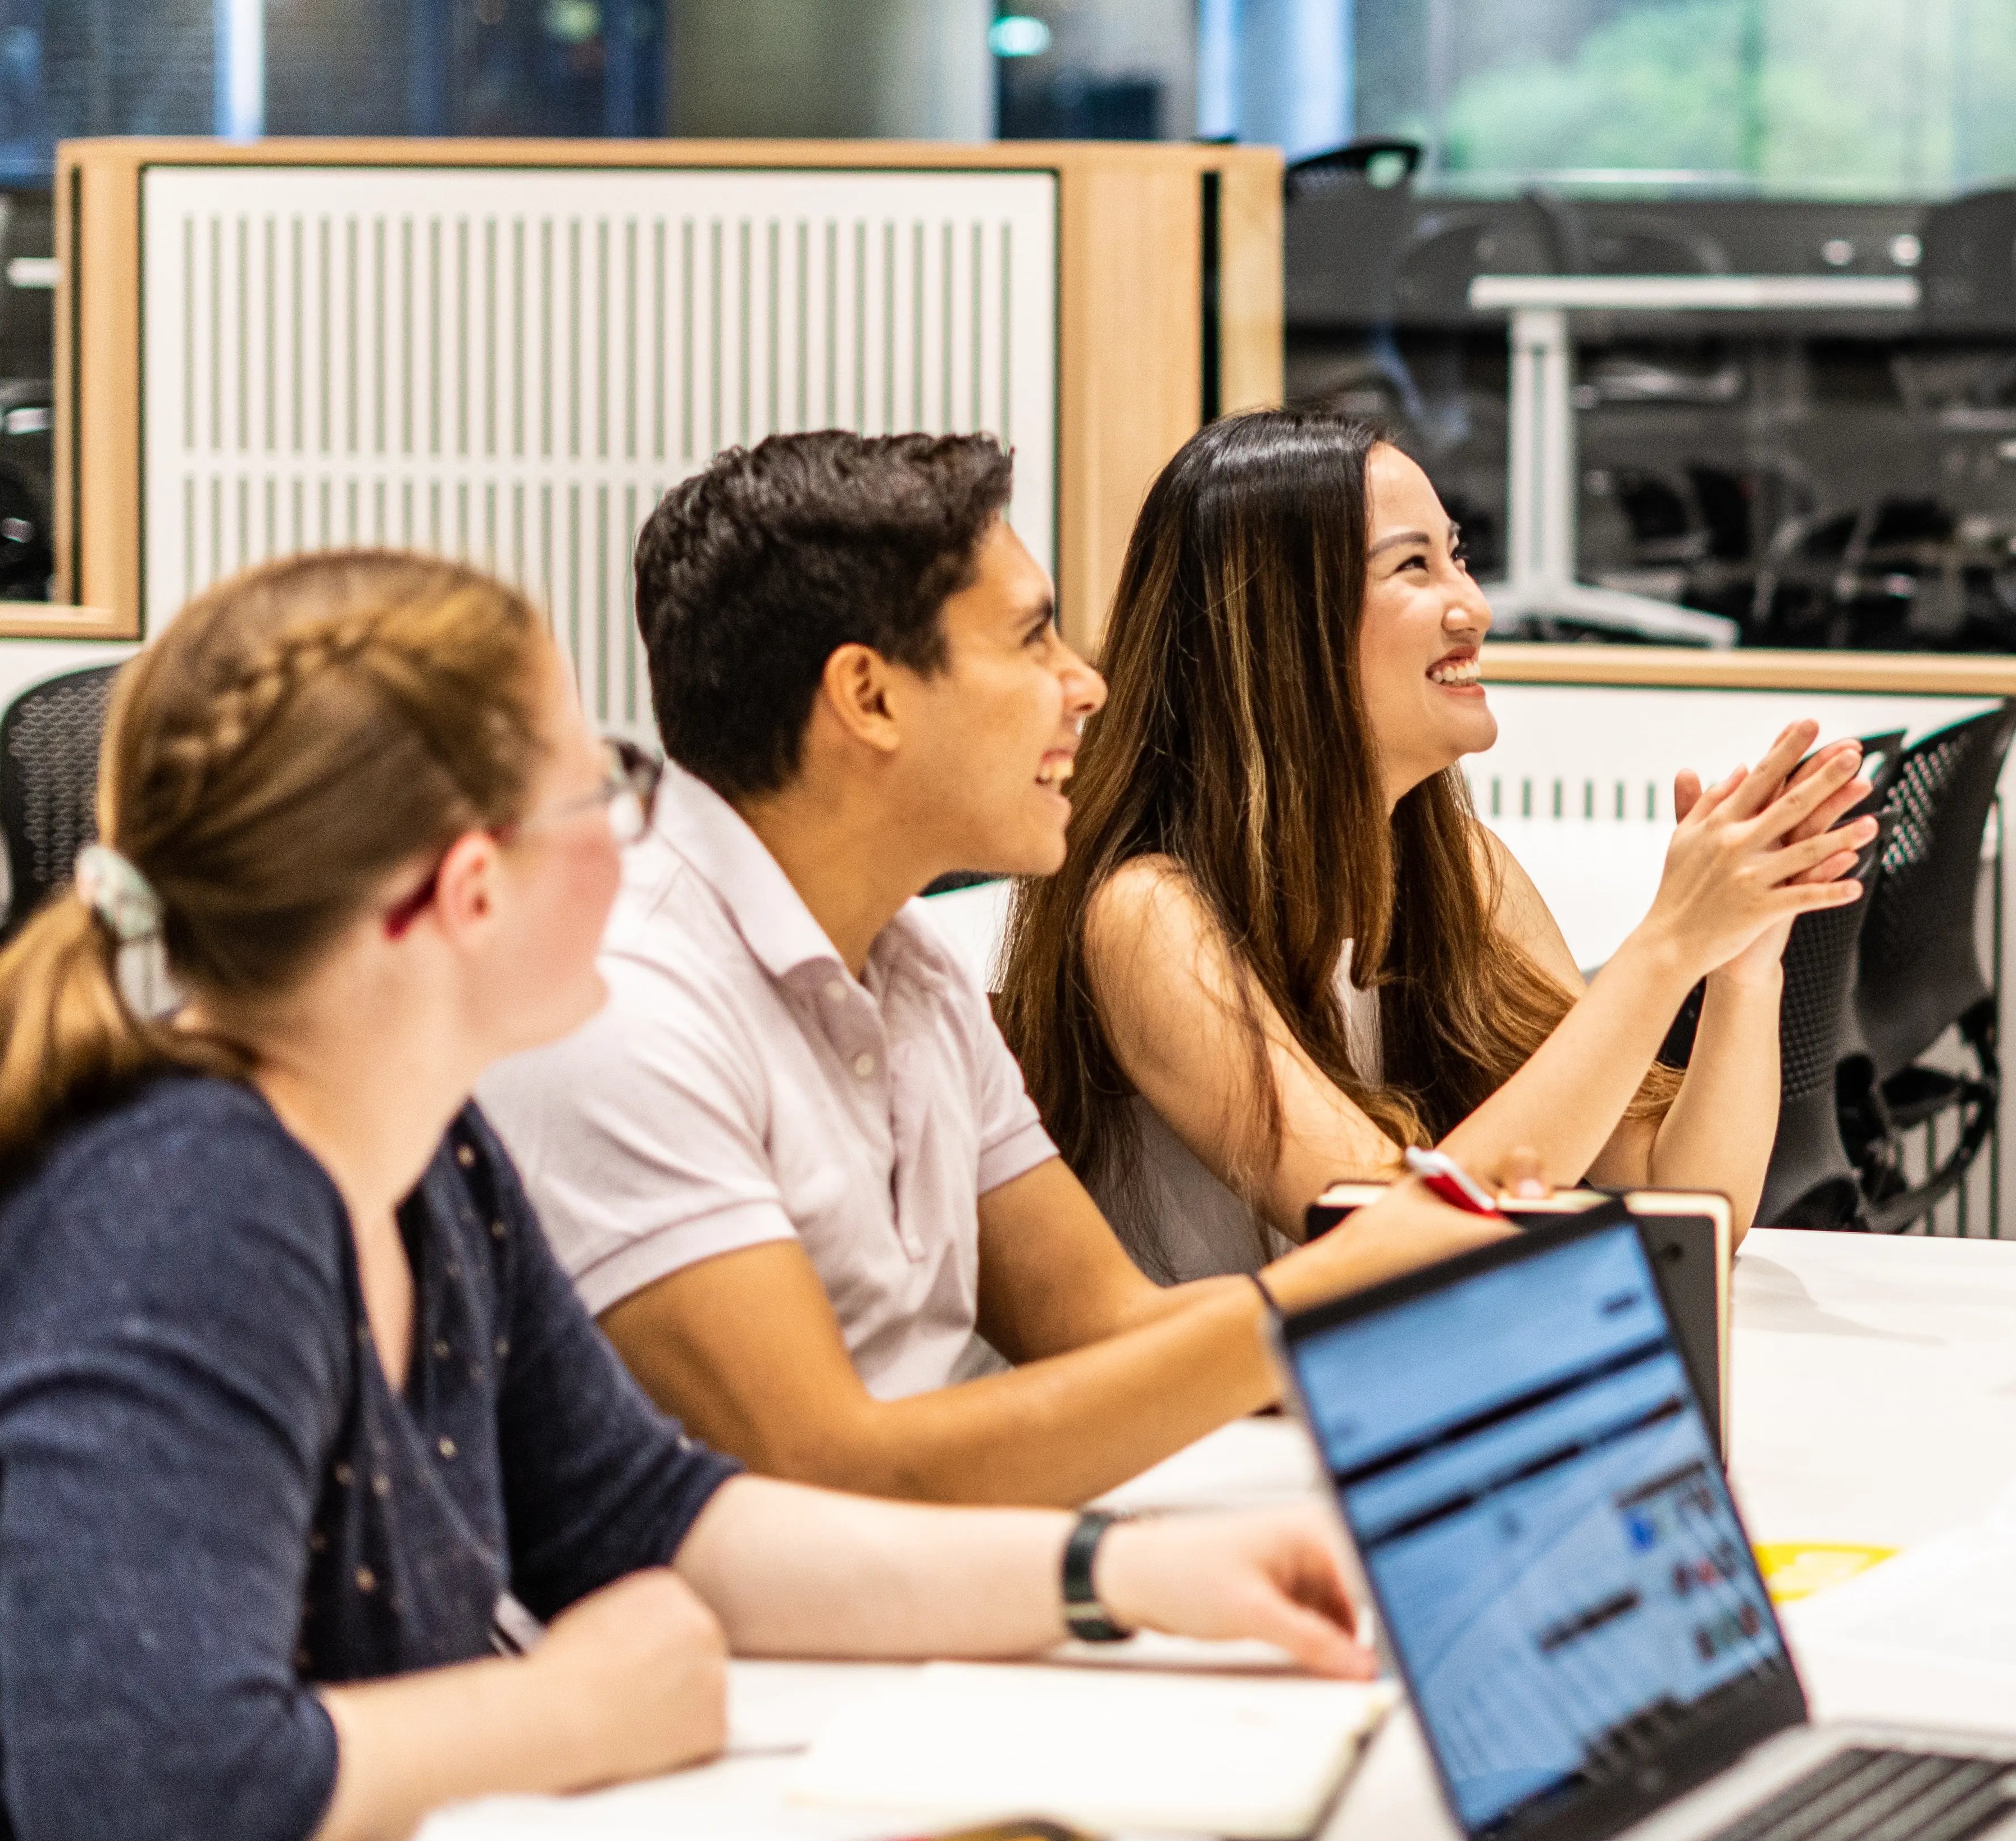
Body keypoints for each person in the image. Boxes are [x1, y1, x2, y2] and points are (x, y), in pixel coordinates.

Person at [0, 550, 1379, 1841]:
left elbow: (661, 1522)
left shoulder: (420, 1149)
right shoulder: (185, 1211)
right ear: (470, 887)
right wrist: (585, 1710)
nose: (639, 830)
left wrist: (1128, 1576)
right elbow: (156, 1804)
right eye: (604, 786)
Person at [481, 432, 1500, 1507]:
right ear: (869, 698)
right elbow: (824, 1469)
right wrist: (1334, 1293)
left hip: (932, 1569)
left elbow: (1100, 1322)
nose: (1085, 685)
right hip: (771, 1622)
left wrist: (1399, 1279)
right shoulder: (630, 1002)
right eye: (1030, 640)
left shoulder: (906, 956)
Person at [995, 407, 1872, 1282]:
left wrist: (1739, 968)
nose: (1475, 606)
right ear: (1282, 626)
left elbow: (1685, 1200)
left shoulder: (1461, 866)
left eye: (1457, 556)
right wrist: (1664, 946)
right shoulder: (1150, 913)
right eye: (1412, 565)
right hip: (1205, 1415)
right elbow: (1389, 1249)